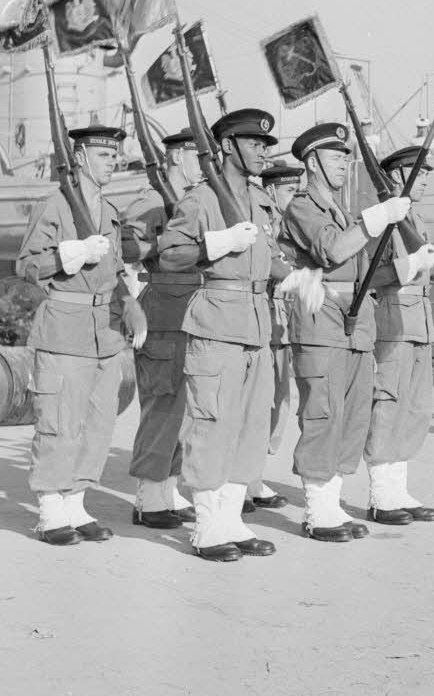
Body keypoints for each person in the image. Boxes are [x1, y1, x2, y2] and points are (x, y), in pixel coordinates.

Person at [156, 107, 291, 562]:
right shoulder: (202, 199)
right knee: (213, 425)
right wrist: (216, 243)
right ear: (228, 145)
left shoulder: (258, 200)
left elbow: (265, 257)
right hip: (217, 320)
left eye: (265, 145)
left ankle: (232, 518)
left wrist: (292, 277)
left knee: (252, 426)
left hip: (257, 323)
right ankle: (209, 526)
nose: (262, 152)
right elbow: (169, 255)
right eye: (254, 143)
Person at [279, 123, 413, 542]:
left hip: (357, 319)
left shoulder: (338, 210)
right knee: (323, 412)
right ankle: (316, 510)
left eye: (344, 157)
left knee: (353, 415)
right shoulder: (303, 207)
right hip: (321, 319)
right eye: (336, 157)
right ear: (312, 162)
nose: (343, 165)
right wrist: (374, 219)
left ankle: (331, 503)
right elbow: (333, 250)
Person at [17, 125, 146, 545]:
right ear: (80, 157)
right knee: (60, 423)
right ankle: (51, 509)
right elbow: (27, 266)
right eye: (106, 156)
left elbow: (115, 273)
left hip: (104, 333)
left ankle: (76, 501)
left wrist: (130, 303)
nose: (114, 162)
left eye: (116, 156)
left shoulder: (108, 211)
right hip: (65, 330)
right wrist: (68, 255)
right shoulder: (53, 206)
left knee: (97, 423)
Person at [119, 128, 202, 529]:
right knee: (162, 404)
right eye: (196, 155)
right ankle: (148, 498)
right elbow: (127, 249)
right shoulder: (152, 200)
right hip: (164, 310)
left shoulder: (196, 200)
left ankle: (168, 490)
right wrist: (166, 244)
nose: (204, 164)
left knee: (184, 411)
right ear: (175, 157)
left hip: (193, 310)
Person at [365, 145, 434, 524]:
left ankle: (398, 488)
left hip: (419, 321)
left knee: (414, 407)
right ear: (397, 175)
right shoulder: (386, 219)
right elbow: (371, 276)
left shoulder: (415, 218)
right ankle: (381, 493)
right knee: (388, 402)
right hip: (393, 318)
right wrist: (410, 264)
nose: (425, 179)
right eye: (419, 172)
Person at [246, 159, 307, 513]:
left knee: (279, 403)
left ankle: (254, 474)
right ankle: (244, 480)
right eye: (288, 190)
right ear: (270, 191)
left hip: (281, 326)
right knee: (257, 404)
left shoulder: (288, 224)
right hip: (260, 323)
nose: (294, 197)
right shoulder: (263, 220)